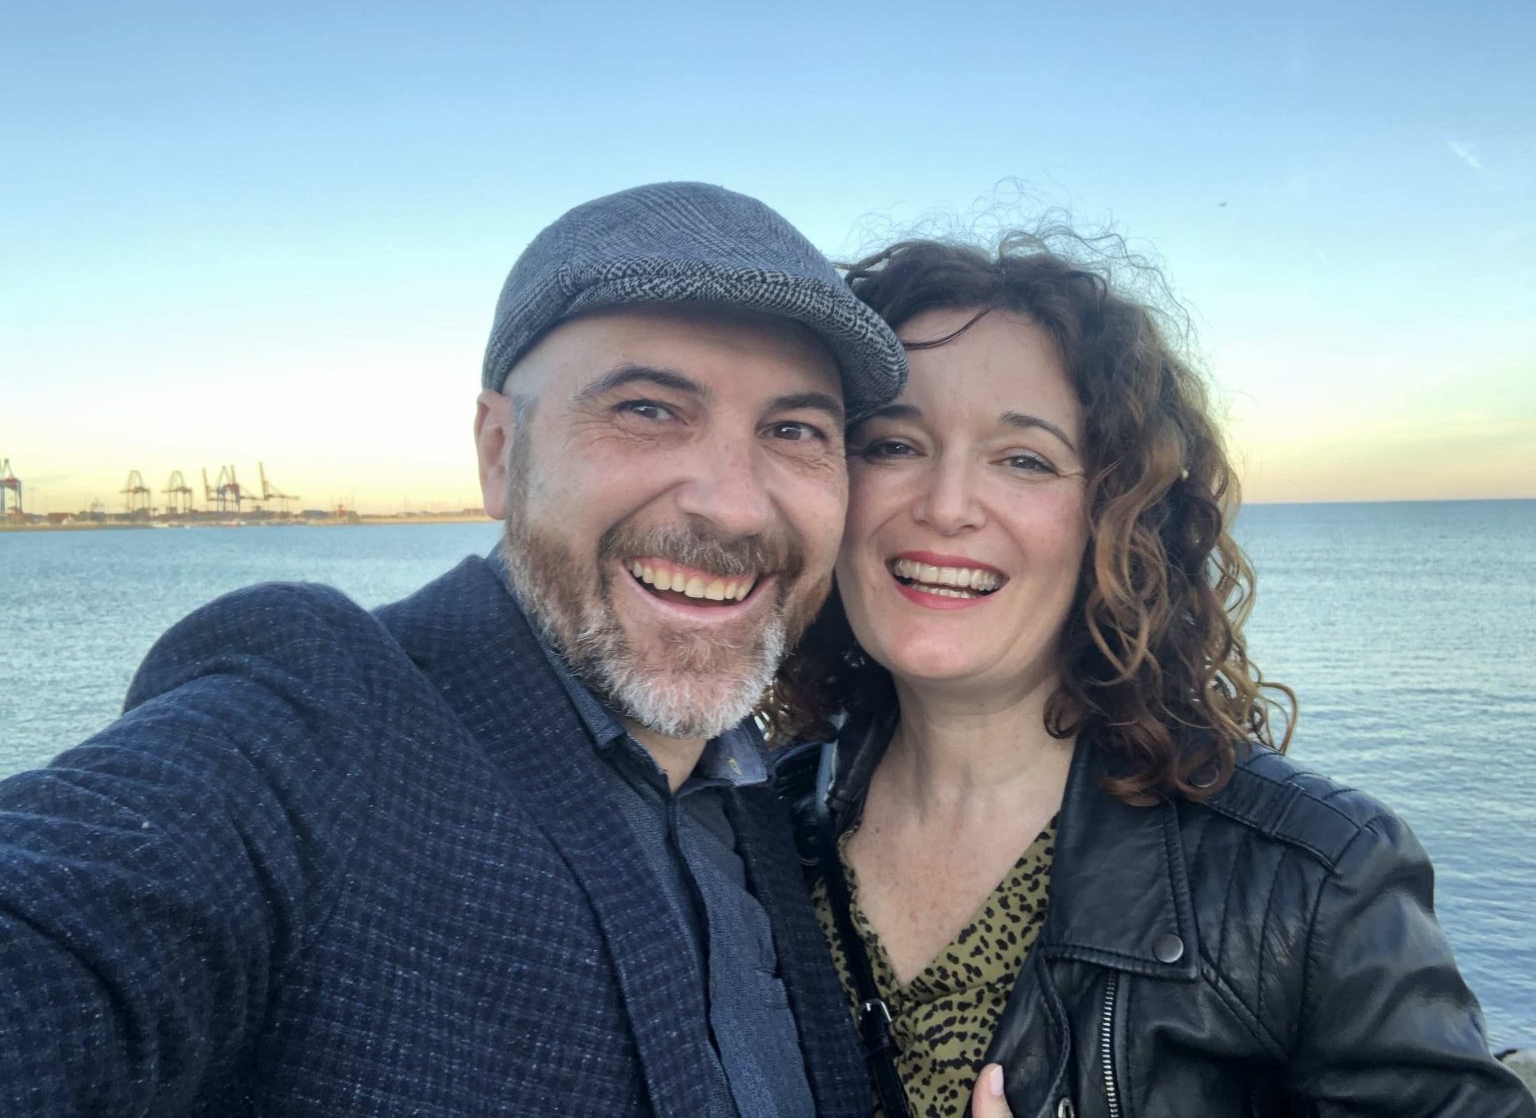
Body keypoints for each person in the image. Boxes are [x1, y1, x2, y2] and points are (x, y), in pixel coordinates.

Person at [0, 182, 909, 1116]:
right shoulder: (320, 726)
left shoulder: (767, 800)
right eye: (647, 410)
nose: (734, 504)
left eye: (794, 431)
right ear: (500, 452)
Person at [770, 231, 1536, 1117]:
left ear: (1117, 517)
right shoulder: (751, 832)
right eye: (892, 445)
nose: (945, 506)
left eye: (1024, 460)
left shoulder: (1310, 881)